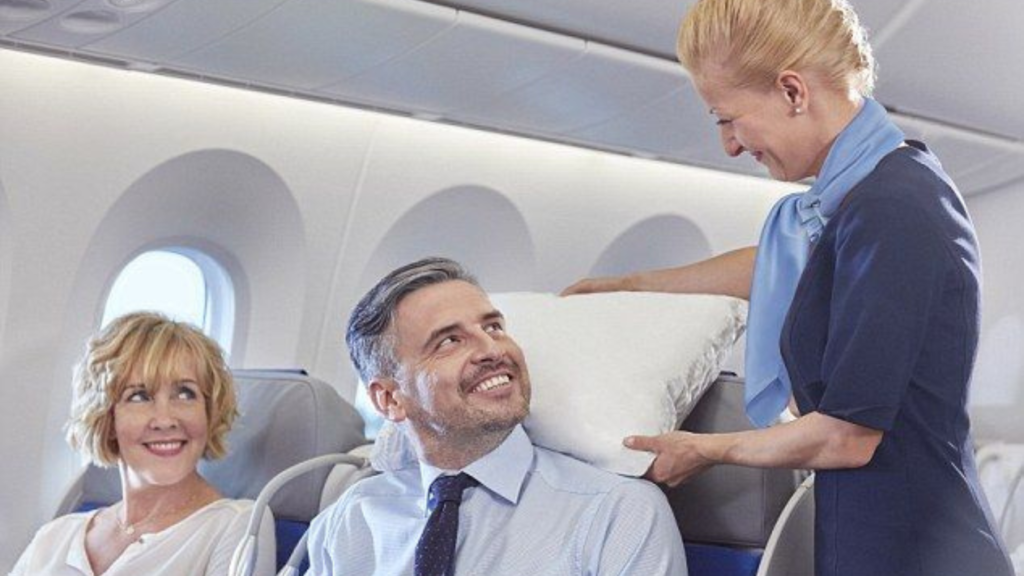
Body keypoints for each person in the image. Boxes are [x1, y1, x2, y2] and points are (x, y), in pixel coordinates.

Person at [562, 1, 1014, 575]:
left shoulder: (893, 207)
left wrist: (705, 449)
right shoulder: (865, 196)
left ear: (793, 92)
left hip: (918, 551)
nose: (728, 144)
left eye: (727, 118)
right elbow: (781, 269)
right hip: (883, 538)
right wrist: (630, 287)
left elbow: (846, 438)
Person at [307, 257, 687, 576]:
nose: (492, 349)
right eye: (449, 341)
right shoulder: (352, 519)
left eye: (493, 327)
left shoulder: (617, 512)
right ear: (390, 398)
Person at [10, 312, 275, 576]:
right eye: (139, 396)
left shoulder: (237, 526)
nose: (164, 420)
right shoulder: (56, 537)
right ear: (105, 416)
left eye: (185, 393)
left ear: (209, 411)